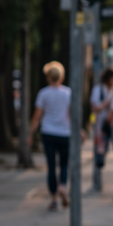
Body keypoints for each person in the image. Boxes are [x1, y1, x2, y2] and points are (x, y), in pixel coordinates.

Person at [27, 61, 72, 211]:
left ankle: (53, 199)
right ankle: (63, 186)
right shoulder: (68, 93)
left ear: (48, 77)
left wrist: (31, 133)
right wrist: (80, 131)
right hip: (65, 133)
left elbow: (37, 116)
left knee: (51, 166)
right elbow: (71, 115)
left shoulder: (43, 93)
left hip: (48, 133)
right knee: (64, 164)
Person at [90, 68, 113, 192]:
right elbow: (95, 108)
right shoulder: (98, 90)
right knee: (99, 155)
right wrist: (108, 102)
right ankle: (96, 183)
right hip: (101, 127)